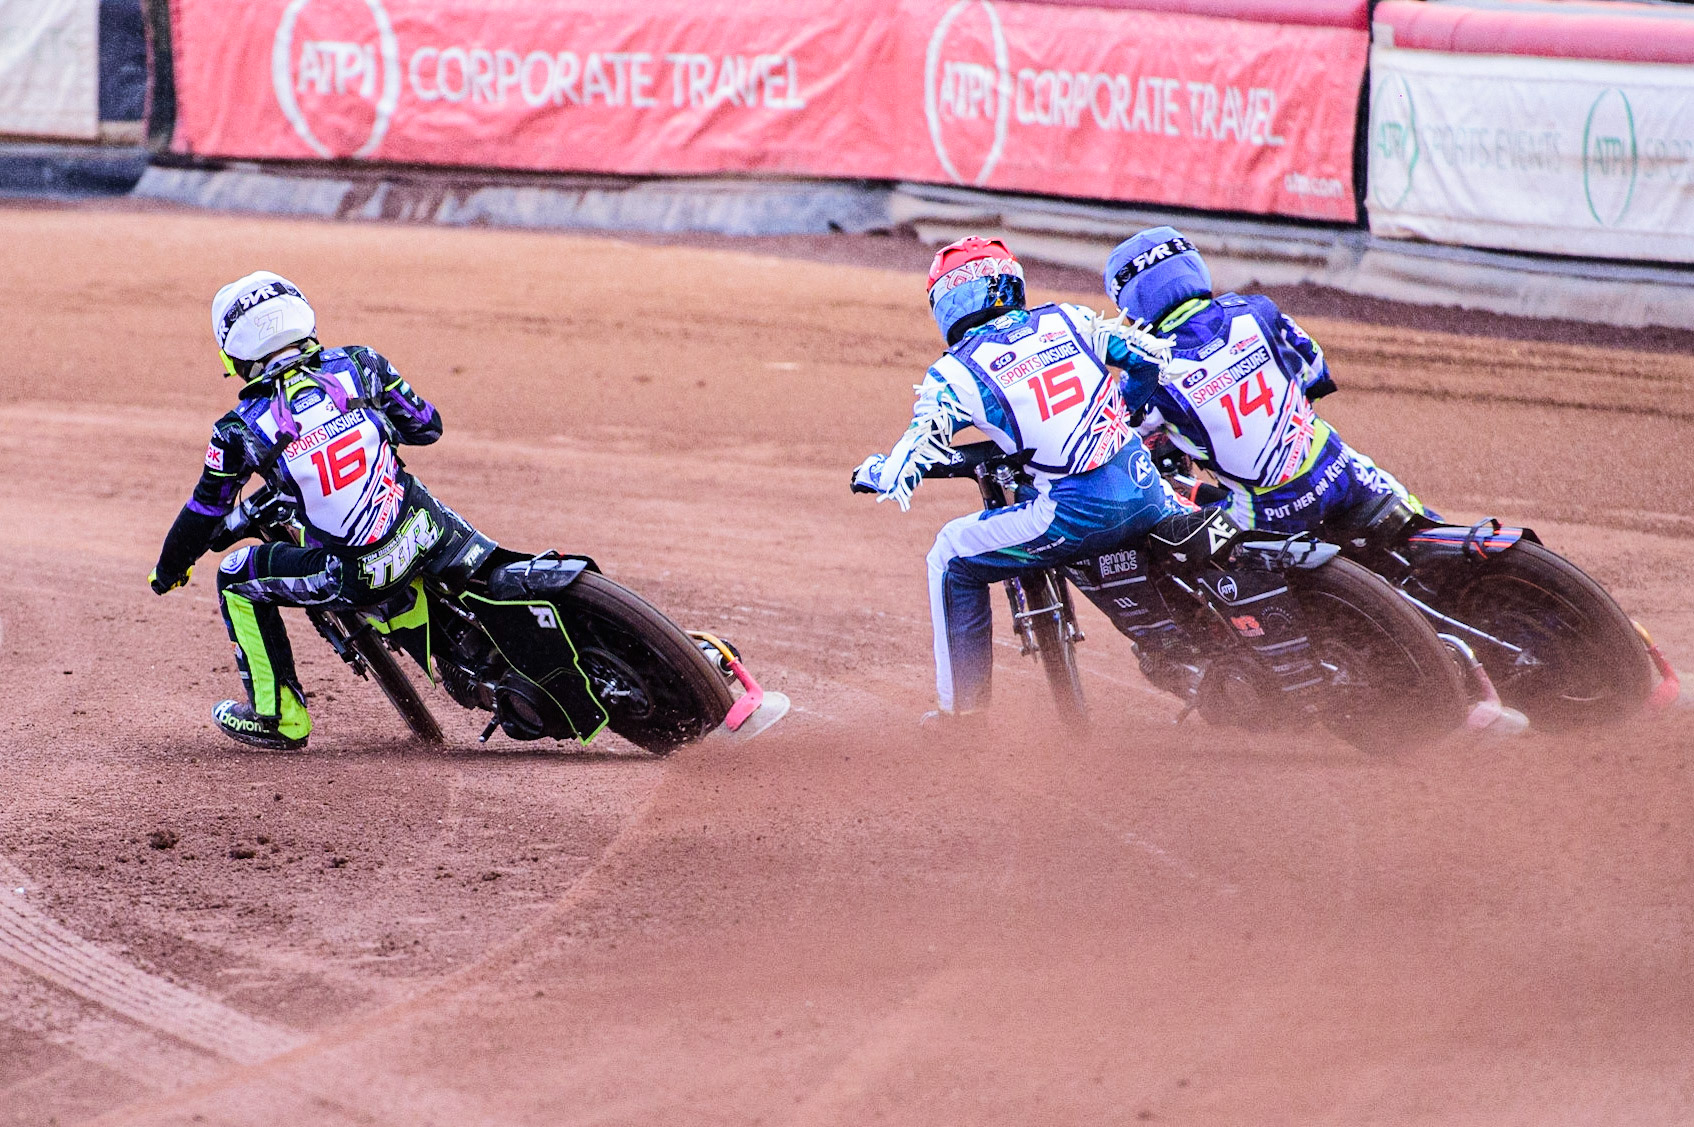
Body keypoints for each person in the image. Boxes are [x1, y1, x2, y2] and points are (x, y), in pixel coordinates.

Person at [148, 271, 481, 750]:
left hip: (357, 575)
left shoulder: (237, 430)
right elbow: (427, 427)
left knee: (235, 577)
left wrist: (168, 570)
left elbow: (203, 513)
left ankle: (277, 716)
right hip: (430, 530)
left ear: (235, 355)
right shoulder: (362, 363)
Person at [852, 237, 1178, 722]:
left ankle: (961, 719)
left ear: (948, 302)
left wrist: (875, 472)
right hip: (1147, 486)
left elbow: (908, 462)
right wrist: (1123, 412)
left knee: (951, 555)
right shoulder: (1066, 318)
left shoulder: (955, 372)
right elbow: (1150, 357)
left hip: (1074, 516)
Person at [1102, 227, 1431, 534]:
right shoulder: (1257, 310)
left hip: (1266, 512)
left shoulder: (1145, 370)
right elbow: (1316, 375)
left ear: (1131, 306)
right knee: (1418, 519)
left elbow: (1116, 442)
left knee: (1174, 546)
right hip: (1337, 469)